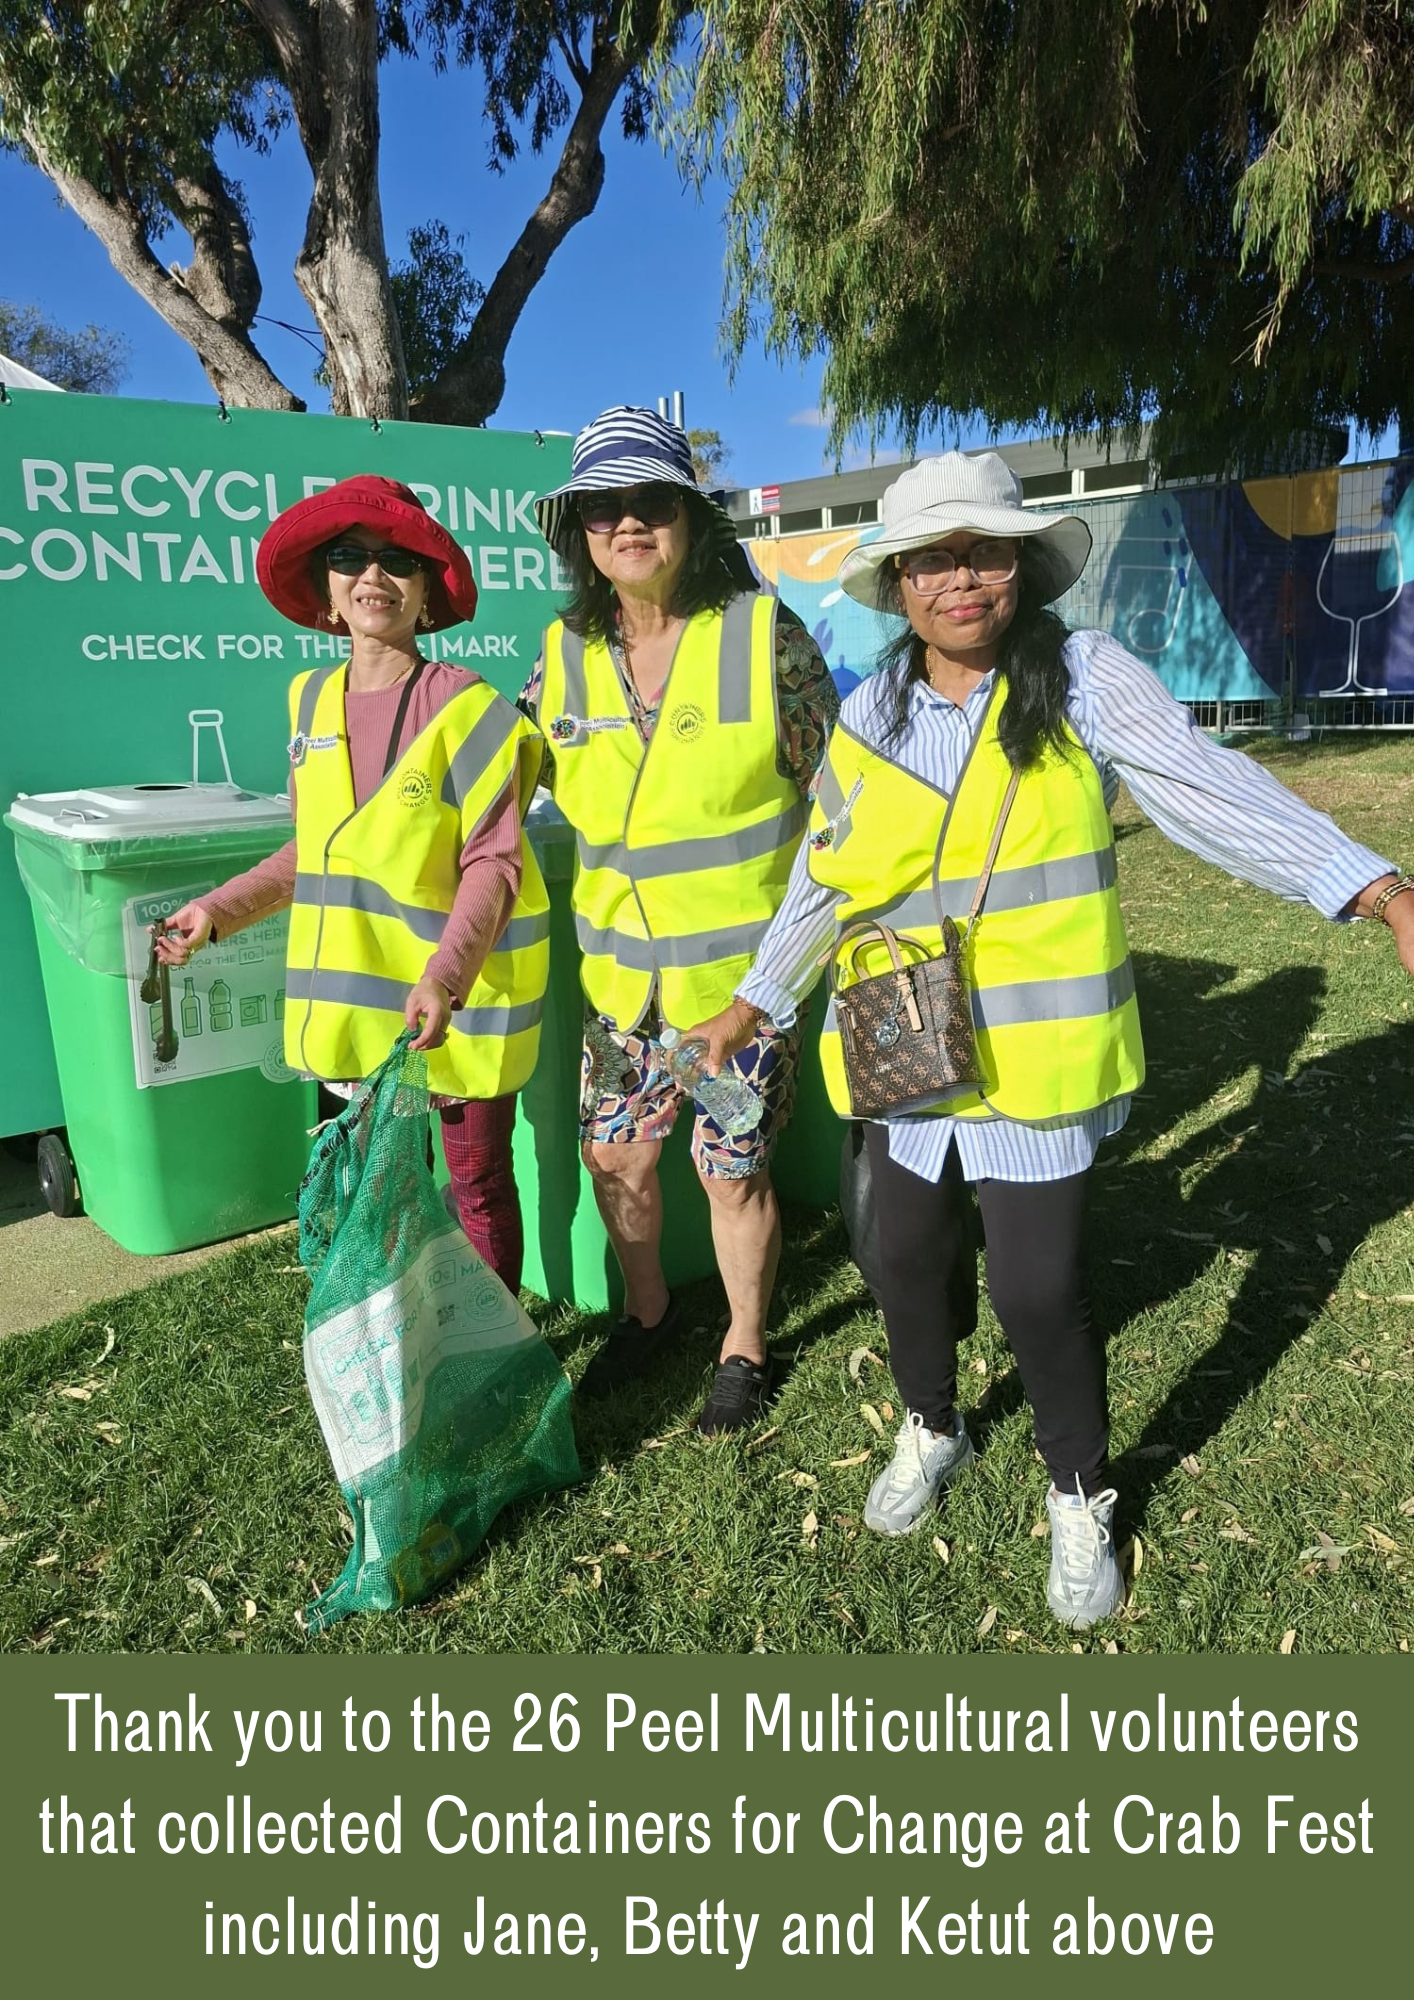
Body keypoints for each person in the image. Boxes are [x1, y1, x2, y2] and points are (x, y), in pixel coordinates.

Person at [687, 449, 1414, 1627]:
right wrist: (757, 997)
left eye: (983, 551)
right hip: (903, 1044)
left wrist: (1375, 889)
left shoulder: (1080, 676)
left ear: (1019, 564)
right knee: (898, 1256)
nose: (960, 579)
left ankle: (1078, 1489)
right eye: (932, 559)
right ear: (899, 583)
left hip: (1038, 1056)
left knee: (1036, 1289)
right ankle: (933, 1423)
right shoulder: (870, 711)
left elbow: (1207, 787)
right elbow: (825, 875)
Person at [521, 407, 839, 1432]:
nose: (627, 523)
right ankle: (650, 1316)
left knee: (731, 1172)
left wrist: (777, 981)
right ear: (578, 532)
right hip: (624, 996)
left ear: (690, 520)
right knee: (616, 1157)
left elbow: (841, 809)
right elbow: (497, 784)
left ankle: (744, 1345)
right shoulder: (559, 657)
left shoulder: (763, 637)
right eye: (601, 507)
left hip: (734, 997)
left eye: (650, 501)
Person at [155, 474, 549, 1293]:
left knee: (476, 1183)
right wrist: (217, 912)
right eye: (349, 557)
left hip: (459, 1006)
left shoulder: (470, 709)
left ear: (428, 592)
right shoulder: (308, 701)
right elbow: (316, 850)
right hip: (365, 1021)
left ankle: (487, 1347)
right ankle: (405, 1337)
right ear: (327, 588)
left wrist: (445, 977)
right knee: (386, 1192)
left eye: (399, 560)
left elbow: (496, 861)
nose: (374, 575)